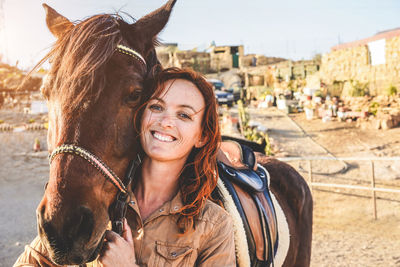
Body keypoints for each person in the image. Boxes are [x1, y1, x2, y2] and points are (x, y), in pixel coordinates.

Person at [15, 67, 236, 266]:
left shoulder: (214, 225)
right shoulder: (100, 194)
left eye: (184, 115)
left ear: (202, 137)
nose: (166, 121)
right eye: (157, 107)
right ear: (141, 116)